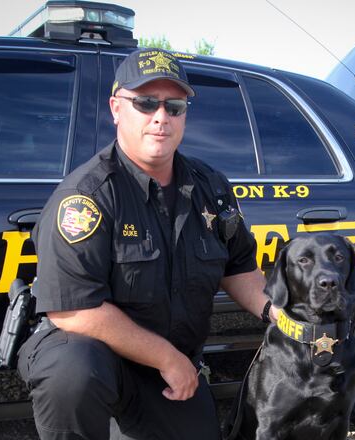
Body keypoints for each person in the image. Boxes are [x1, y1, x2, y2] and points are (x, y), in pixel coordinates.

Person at [18, 48, 276, 440]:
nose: (160, 117)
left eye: (174, 106)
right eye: (145, 102)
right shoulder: (87, 196)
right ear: (116, 108)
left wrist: (279, 314)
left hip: (164, 367)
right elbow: (73, 309)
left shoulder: (211, 188)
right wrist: (168, 358)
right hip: (99, 355)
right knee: (70, 372)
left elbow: (239, 268)